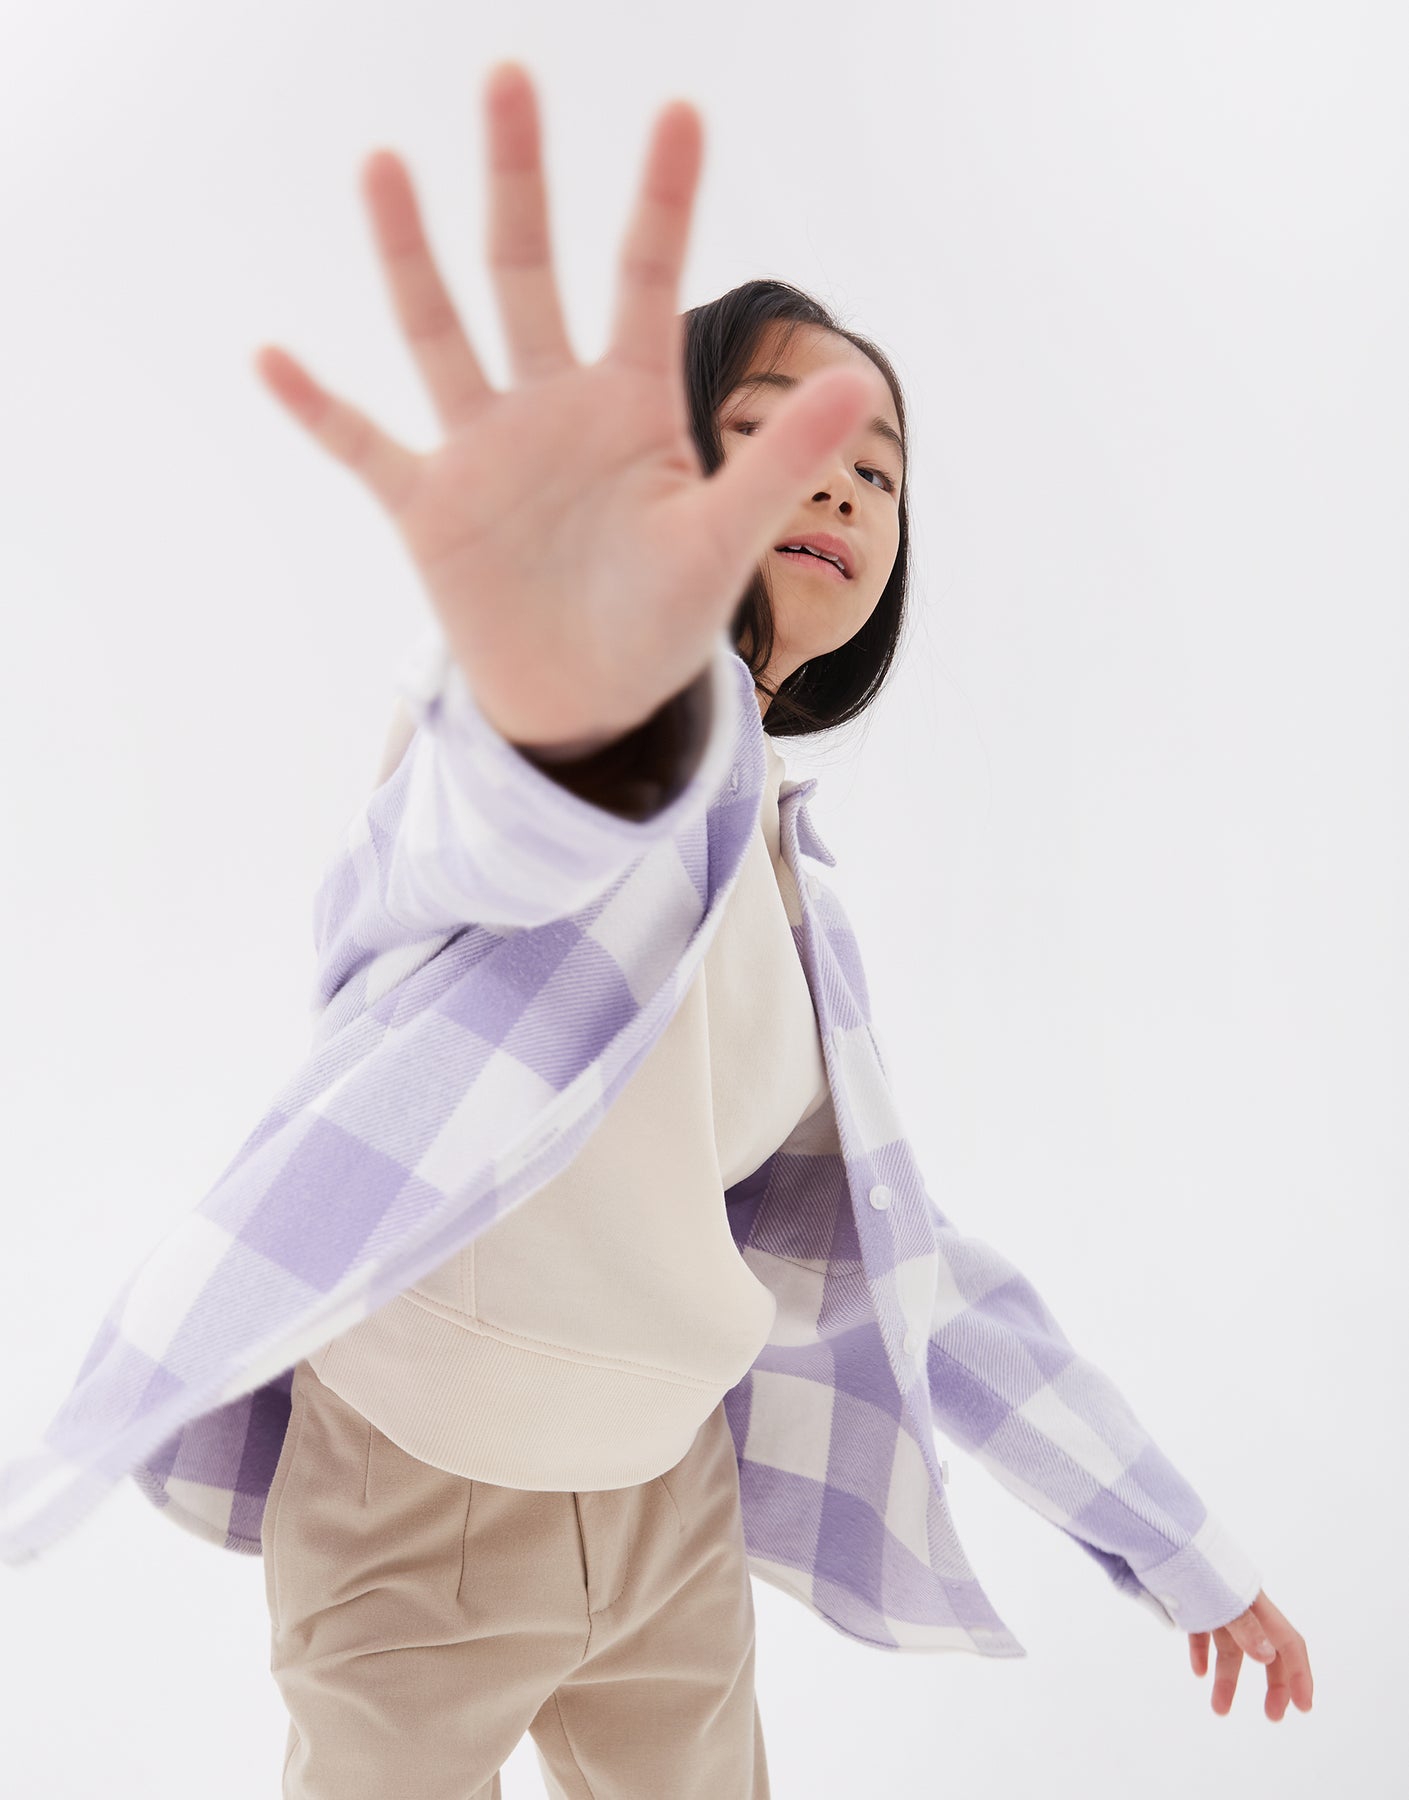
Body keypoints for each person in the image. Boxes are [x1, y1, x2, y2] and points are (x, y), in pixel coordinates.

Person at [178, 54, 1319, 1798]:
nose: (842, 486)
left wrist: (1177, 1545)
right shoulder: (561, 709)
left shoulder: (789, 894)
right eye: (778, 432)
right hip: (411, 1496)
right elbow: (464, 829)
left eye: (877, 469)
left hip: (665, 1512)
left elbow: (909, 1263)